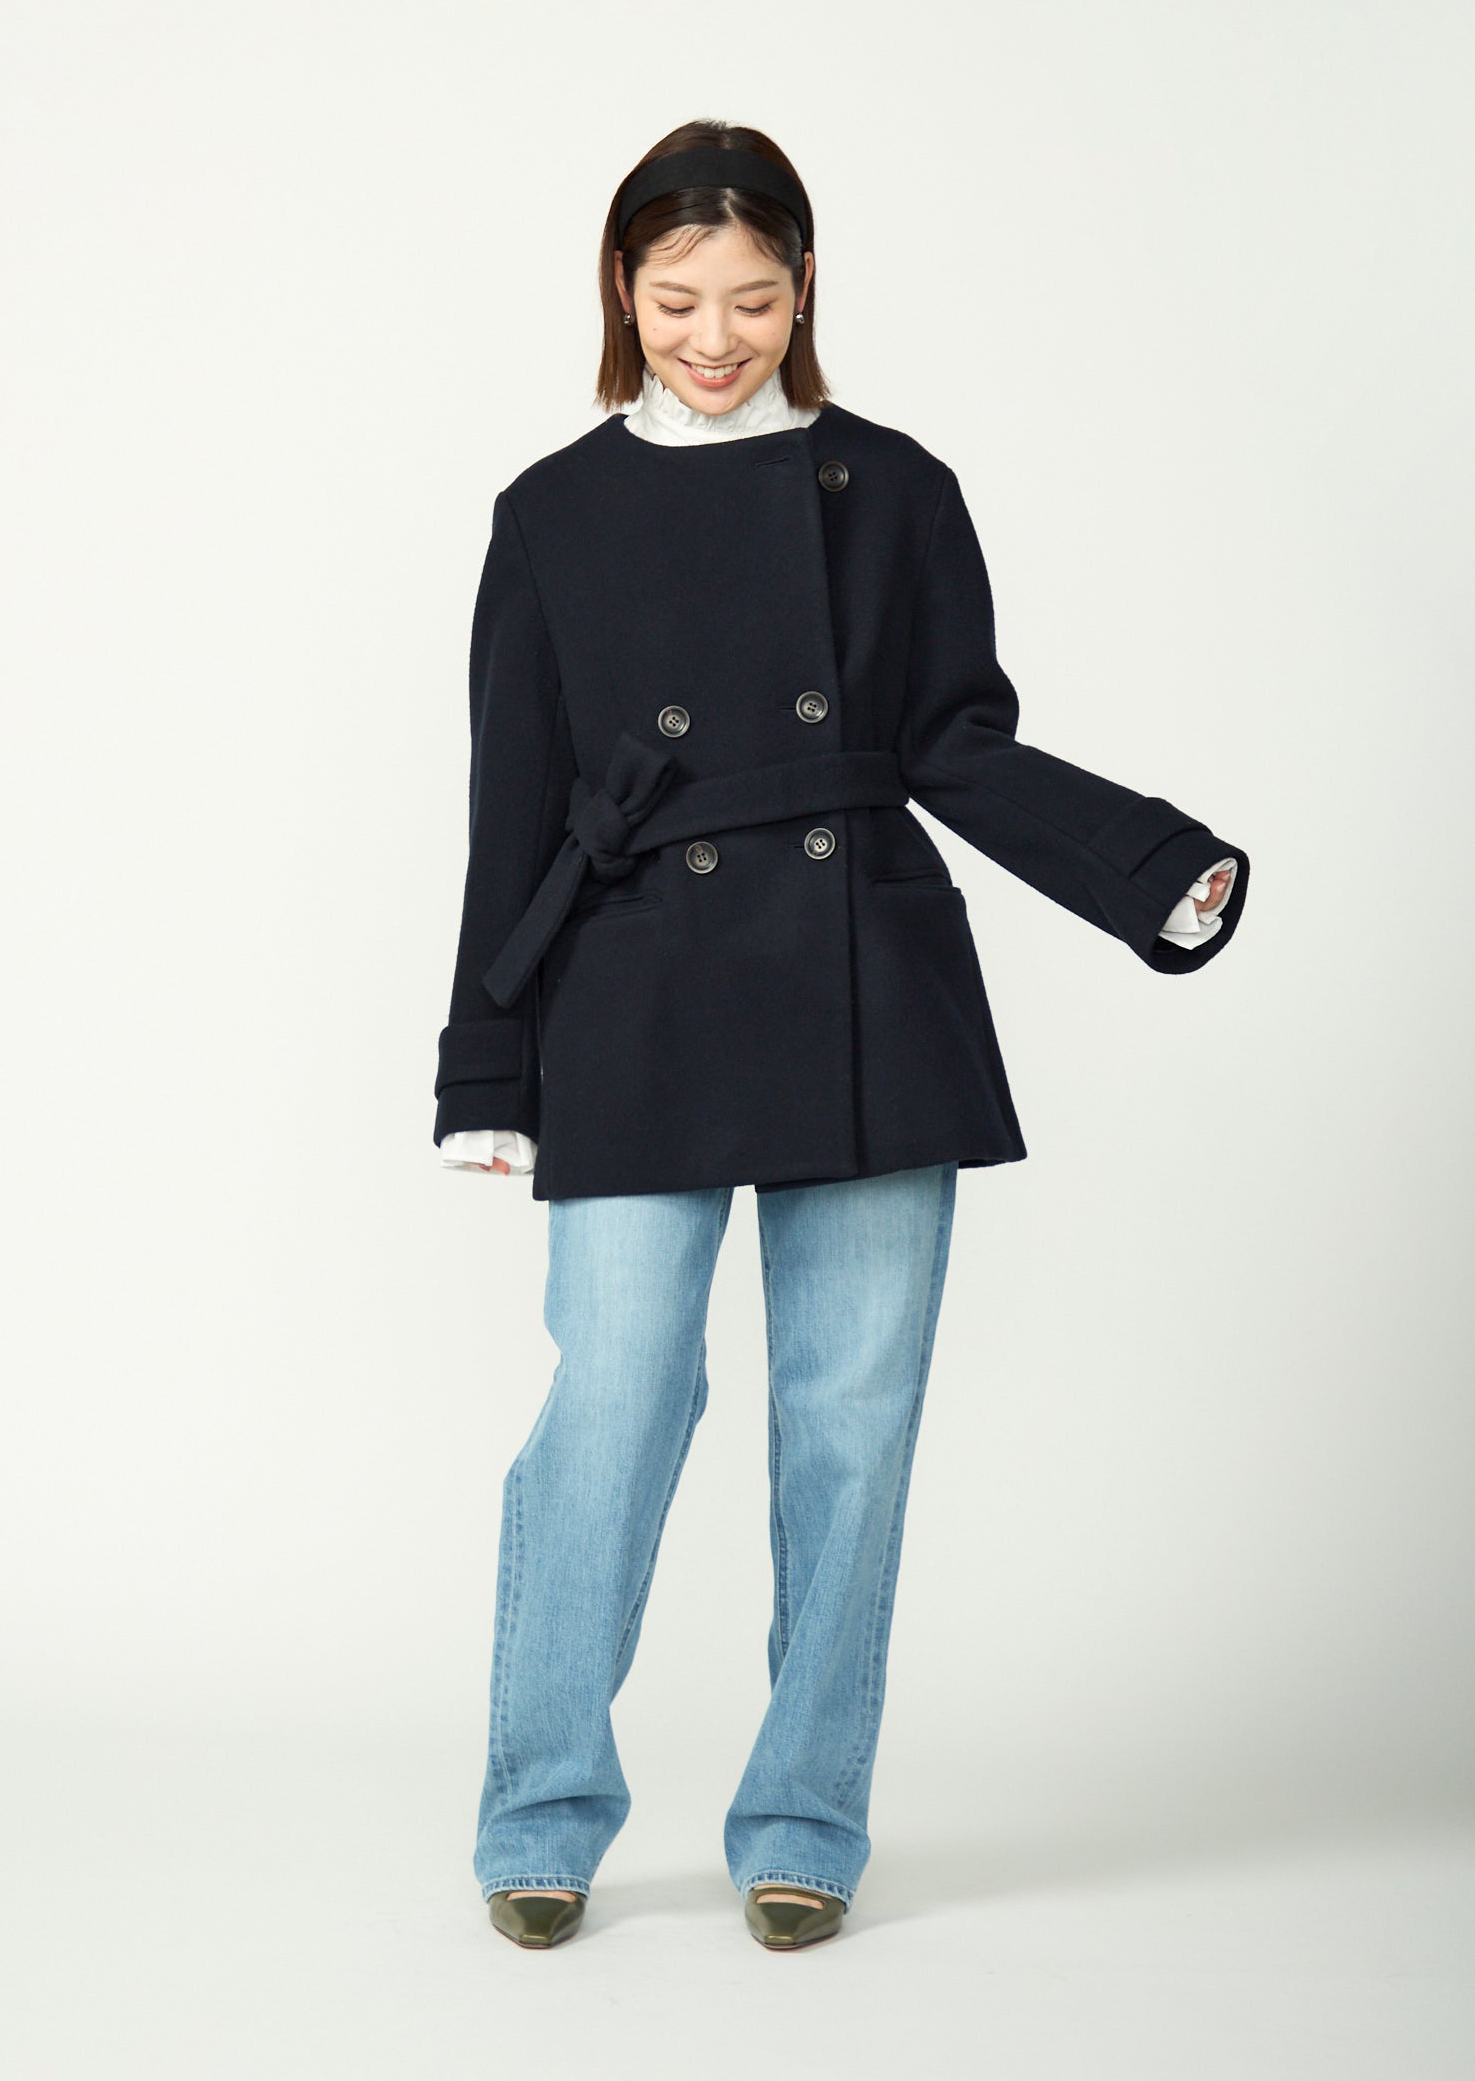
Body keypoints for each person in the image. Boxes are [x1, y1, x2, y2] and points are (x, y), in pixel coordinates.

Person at [431, 119, 1248, 1953]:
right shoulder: (551, 511)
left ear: (805, 288)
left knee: (851, 1428)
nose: (712, 336)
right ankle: (540, 1811)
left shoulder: (895, 488)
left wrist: (1151, 869)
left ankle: (804, 1819)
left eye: (751, 297)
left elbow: (955, 739)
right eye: (675, 300)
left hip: (863, 979)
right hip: (632, 988)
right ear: (620, 290)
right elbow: (513, 803)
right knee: (611, 1404)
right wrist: (489, 1063)